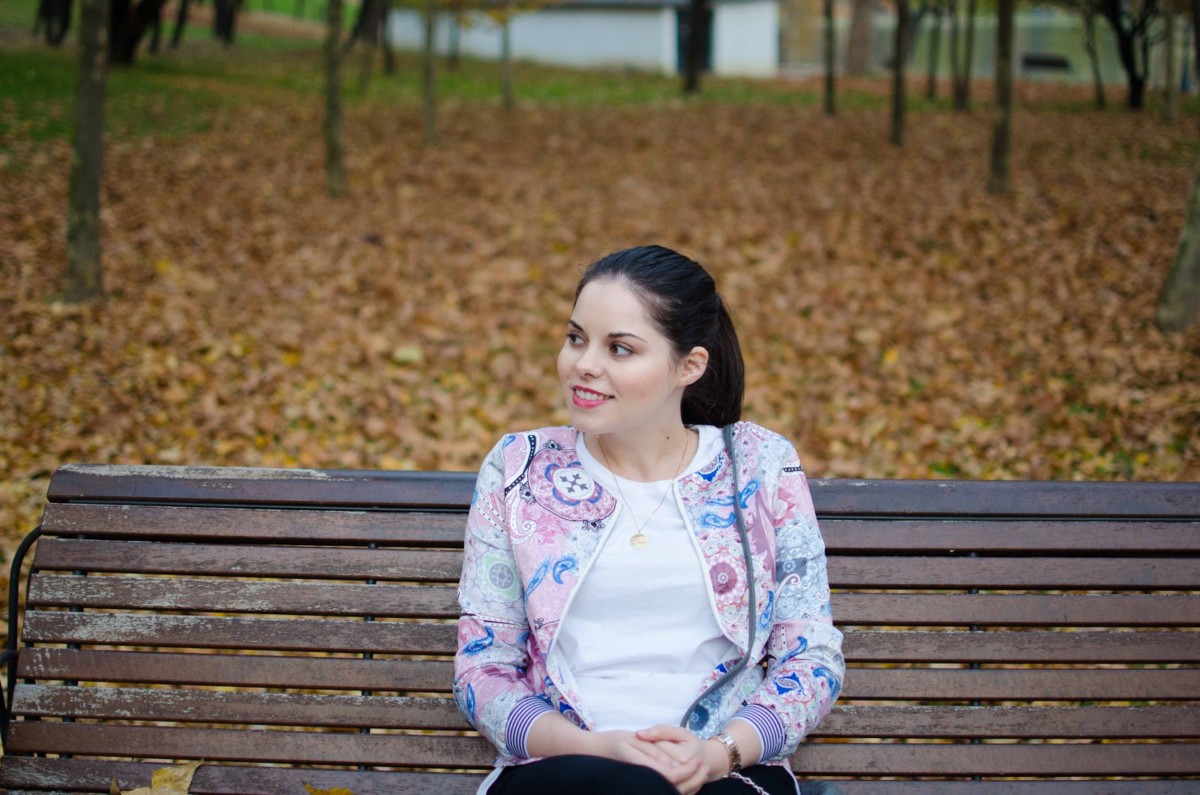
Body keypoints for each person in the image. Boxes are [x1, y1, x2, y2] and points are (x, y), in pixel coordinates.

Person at [453, 245, 845, 795]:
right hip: (565, 767)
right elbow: (484, 668)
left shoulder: (759, 466)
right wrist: (598, 748)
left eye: (620, 348)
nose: (584, 364)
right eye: (576, 338)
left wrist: (719, 753)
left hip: (726, 770)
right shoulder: (521, 469)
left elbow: (810, 658)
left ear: (689, 366)